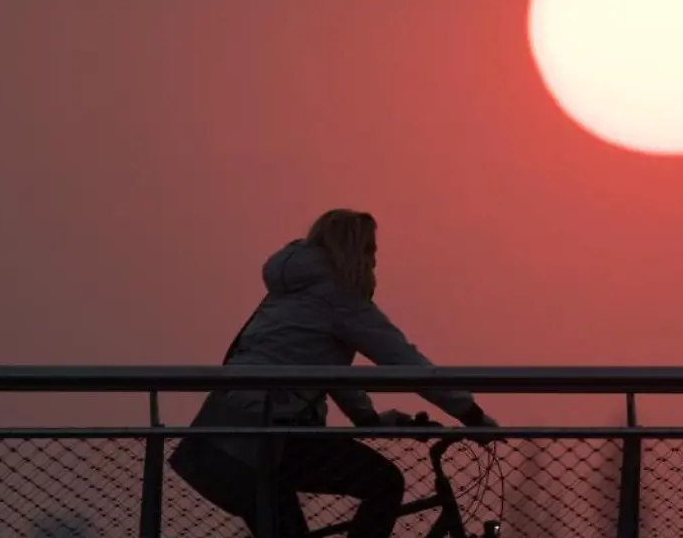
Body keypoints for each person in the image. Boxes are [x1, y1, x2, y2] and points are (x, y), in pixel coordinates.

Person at [169, 209, 499, 538]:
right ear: (353, 250)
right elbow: (404, 361)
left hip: (230, 433)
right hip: (277, 437)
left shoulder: (289, 292)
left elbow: (323, 368)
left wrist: (367, 418)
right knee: (384, 483)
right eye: (370, 250)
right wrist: (471, 414)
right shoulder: (339, 296)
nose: (374, 262)